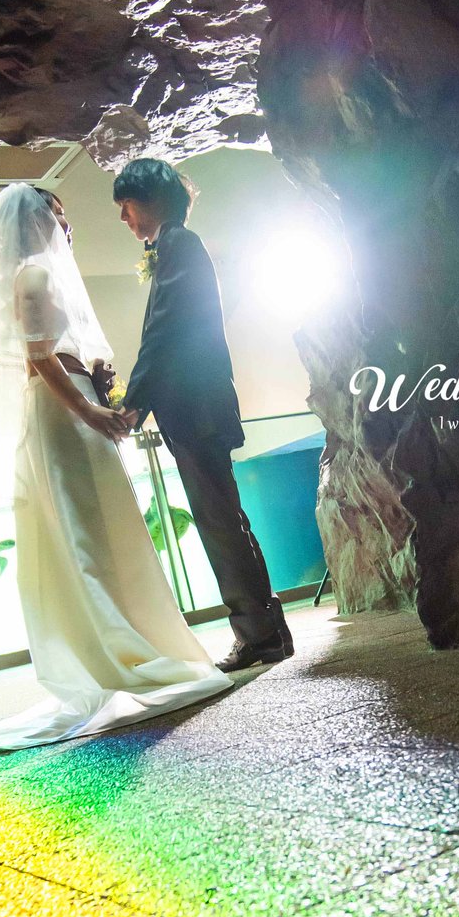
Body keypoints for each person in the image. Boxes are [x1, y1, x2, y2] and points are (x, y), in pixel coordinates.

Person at [0, 181, 232, 756]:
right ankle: (112, 651)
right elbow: (37, 356)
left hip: (72, 400)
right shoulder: (32, 275)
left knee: (101, 524)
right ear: (32, 222)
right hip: (59, 411)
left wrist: (95, 382)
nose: (65, 223)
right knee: (82, 528)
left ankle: (130, 639)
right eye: (56, 214)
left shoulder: (43, 275)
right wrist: (87, 408)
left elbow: (58, 352)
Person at [112, 158, 295, 673]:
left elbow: (164, 331)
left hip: (195, 410)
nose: (123, 218)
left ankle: (259, 636)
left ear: (152, 199)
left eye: (127, 205)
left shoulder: (178, 244)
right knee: (226, 521)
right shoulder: (173, 245)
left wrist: (132, 405)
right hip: (197, 409)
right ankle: (268, 633)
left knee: (220, 524)